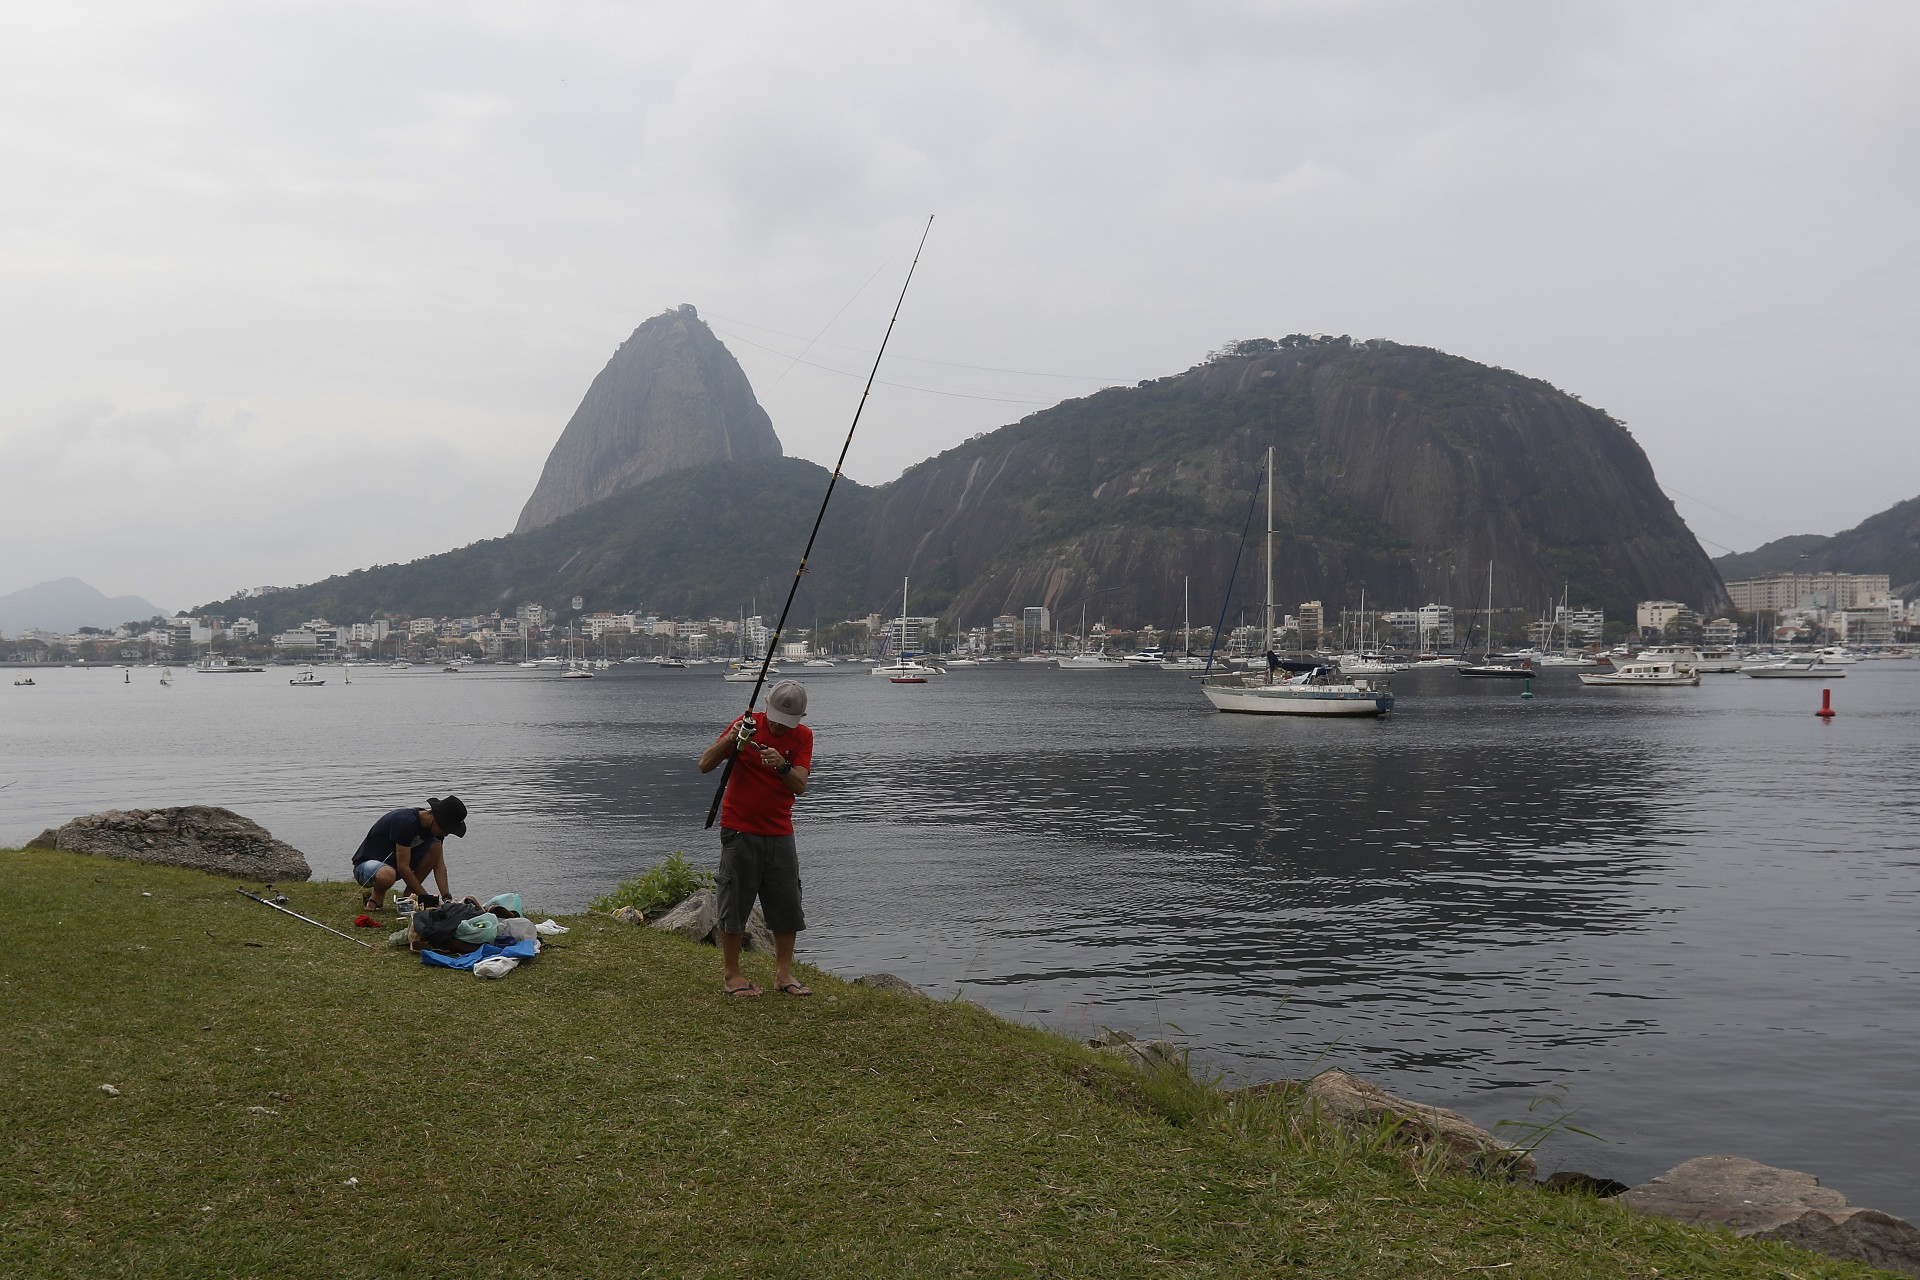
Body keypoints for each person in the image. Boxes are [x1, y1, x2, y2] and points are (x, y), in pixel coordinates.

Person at [696, 680, 812, 997]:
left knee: (787, 904)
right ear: (766, 707)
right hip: (739, 830)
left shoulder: (803, 736)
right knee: (734, 903)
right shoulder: (746, 725)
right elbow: (705, 764)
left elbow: (800, 785)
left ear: (799, 719)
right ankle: (732, 976)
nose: (777, 726)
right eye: (774, 718)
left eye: (785, 722)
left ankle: (784, 975)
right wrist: (731, 739)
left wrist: (782, 766)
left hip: (780, 832)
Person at [350, 795, 467, 913]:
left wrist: (447, 898)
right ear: (435, 820)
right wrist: (427, 899)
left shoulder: (436, 832)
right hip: (365, 867)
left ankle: (407, 897)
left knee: (436, 848)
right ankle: (376, 897)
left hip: (394, 868)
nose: (446, 834)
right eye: (446, 830)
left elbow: (439, 866)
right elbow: (403, 867)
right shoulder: (405, 822)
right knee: (387, 875)